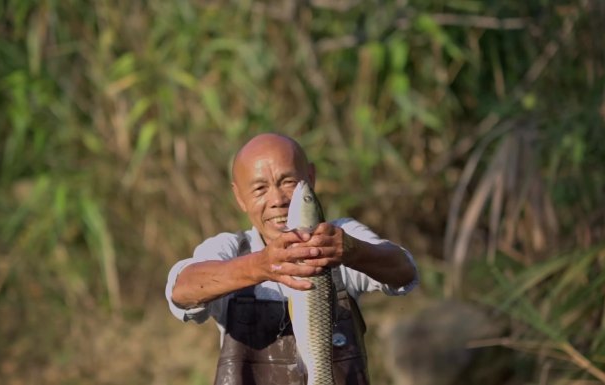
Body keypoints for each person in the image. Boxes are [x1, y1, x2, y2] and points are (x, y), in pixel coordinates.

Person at [166, 133, 418, 385]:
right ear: (240, 198)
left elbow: (404, 270)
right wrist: (260, 265)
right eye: (260, 189)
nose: (278, 200)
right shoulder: (231, 249)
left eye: (288, 182)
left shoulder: (339, 238)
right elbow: (181, 290)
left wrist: (355, 251)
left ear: (311, 177)